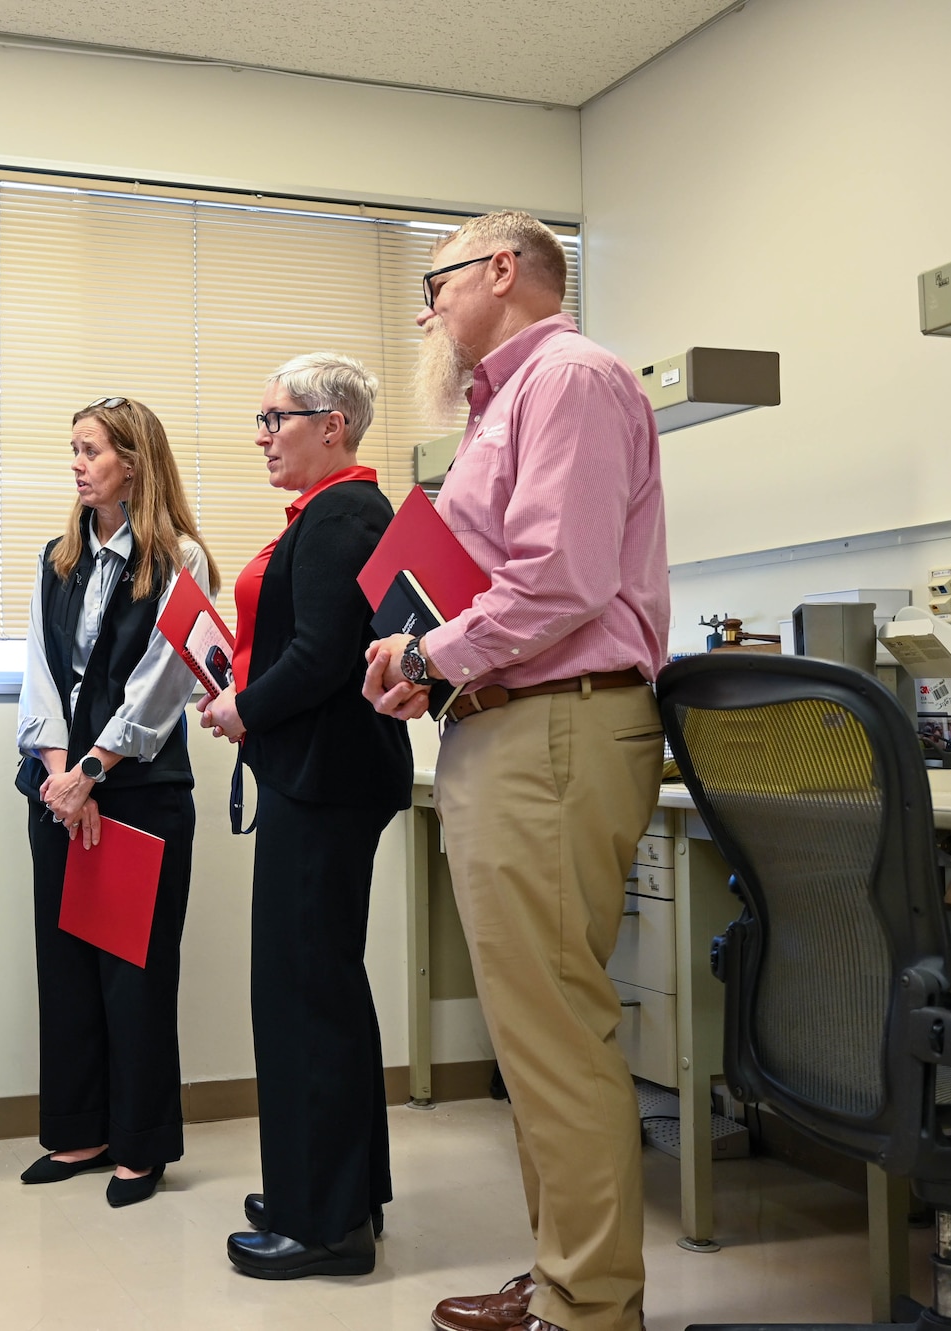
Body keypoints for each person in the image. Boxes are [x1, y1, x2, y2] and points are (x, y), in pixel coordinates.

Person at [362, 211, 669, 1331]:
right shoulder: (502, 406)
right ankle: (561, 1274)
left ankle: (588, 1306)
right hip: (505, 723)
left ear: (502, 270)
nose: (425, 308)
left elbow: (560, 580)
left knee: (553, 1027)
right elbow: (491, 586)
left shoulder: (572, 380)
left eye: (435, 282)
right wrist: (425, 663)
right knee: (530, 1031)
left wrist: (424, 650)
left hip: (556, 726)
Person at [196, 353, 413, 1278]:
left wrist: (245, 708)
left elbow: (326, 652)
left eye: (276, 417)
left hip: (324, 778)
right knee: (323, 982)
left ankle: (324, 1225)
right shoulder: (340, 512)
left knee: (301, 990)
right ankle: (334, 1187)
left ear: (335, 424)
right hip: (324, 775)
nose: (262, 435)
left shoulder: (342, 514)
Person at [16, 396, 216, 1208]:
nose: (77, 463)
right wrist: (62, 778)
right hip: (61, 788)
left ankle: (139, 1146)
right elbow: (40, 673)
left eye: (90, 450)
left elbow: (163, 683)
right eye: (73, 449)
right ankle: (80, 1132)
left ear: (133, 461)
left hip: (136, 791)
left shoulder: (179, 558)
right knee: (64, 967)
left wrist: (95, 770)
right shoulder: (57, 557)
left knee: (131, 974)